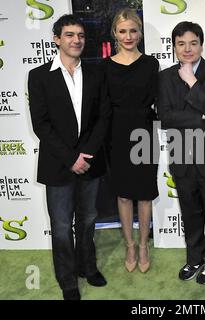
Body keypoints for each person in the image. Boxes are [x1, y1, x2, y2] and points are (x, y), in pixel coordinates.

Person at [28, 14, 110, 300]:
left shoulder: (97, 73)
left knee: (88, 220)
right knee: (62, 227)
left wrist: (85, 154)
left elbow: (103, 118)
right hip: (58, 164)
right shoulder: (38, 76)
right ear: (56, 39)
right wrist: (70, 158)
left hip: (90, 161)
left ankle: (88, 267)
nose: (76, 40)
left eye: (81, 35)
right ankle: (67, 281)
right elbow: (41, 124)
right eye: (70, 35)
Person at [157, 21, 205, 285]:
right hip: (182, 157)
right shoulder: (164, 77)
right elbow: (166, 118)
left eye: (193, 43)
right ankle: (194, 259)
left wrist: (191, 81)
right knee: (190, 213)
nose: (187, 49)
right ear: (174, 47)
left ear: (201, 44)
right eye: (181, 44)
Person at [100, 9, 159, 273]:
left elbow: (160, 101)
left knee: (145, 195)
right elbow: (101, 108)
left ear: (140, 33)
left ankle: (144, 245)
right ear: (115, 33)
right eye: (122, 31)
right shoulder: (104, 66)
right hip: (116, 136)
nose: (128, 36)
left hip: (145, 133)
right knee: (123, 196)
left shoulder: (150, 64)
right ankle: (129, 245)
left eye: (133, 30)